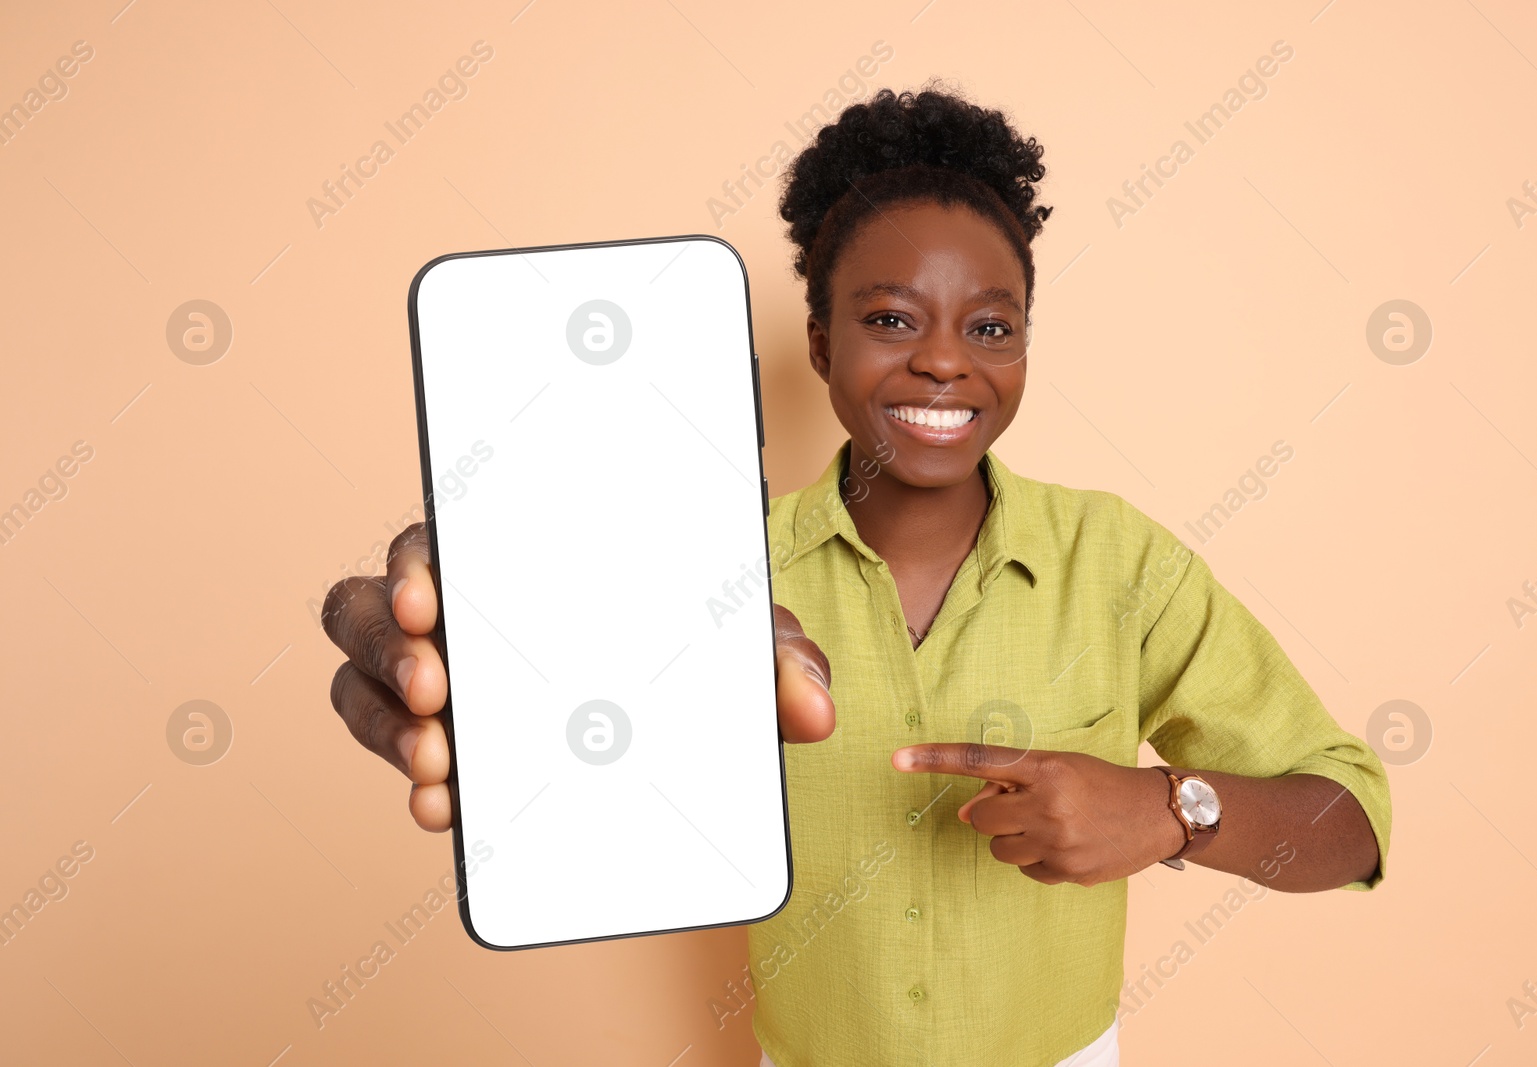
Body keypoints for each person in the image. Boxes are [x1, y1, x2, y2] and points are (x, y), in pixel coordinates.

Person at [321, 82, 1391, 1067]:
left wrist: (1171, 807)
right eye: (889, 319)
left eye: (990, 326)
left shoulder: (1123, 562)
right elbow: (584, 746)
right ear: (820, 344)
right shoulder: (713, 570)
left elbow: (1348, 818)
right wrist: (498, 673)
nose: (942, 358)